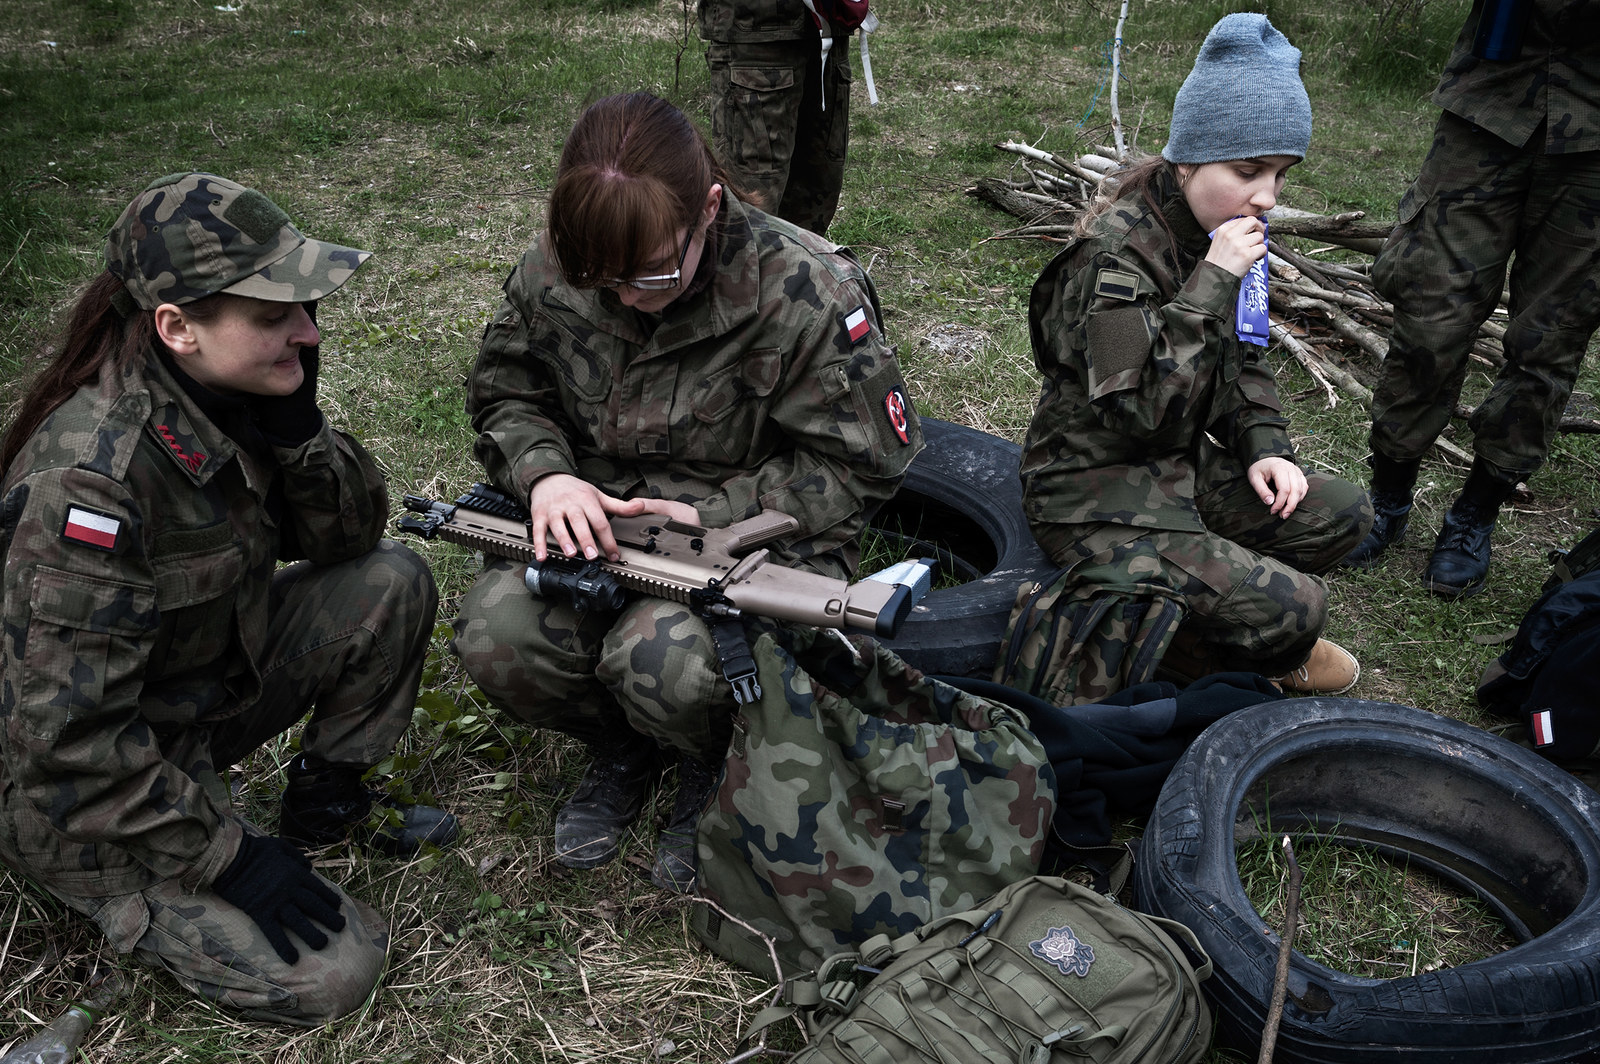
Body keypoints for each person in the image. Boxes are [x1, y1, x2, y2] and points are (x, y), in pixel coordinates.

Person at [0, 173, 457, 1025]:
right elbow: (62, 743)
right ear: (176, 327)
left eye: (307, 307)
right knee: (331, 975)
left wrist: (299, 432)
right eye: (275, 313)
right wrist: (229, 856)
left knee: (388, 582)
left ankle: (325, 800)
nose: (308, 331)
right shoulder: (93, 484)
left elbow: (348, 540)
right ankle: (127, 899)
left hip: (189, 703)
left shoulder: (222, 397)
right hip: (79, 798)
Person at [451, 92, 921, 892]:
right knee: (500, 637)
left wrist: (714, 515)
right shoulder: (562, 266)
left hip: (756, 538)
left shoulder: (806, 289)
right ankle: (625, 744)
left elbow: (864, 463)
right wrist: (548, 474)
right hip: (604, 522)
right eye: (606, 281)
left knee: (664, 662)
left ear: (710, 208)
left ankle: (715, 759)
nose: (631, 297)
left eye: (656, 271)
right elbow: (506, 392)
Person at [1020, 14, 1372, 695]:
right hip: (1093, 488)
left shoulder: (1222, 232)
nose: (1267, 197)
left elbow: (1246, 357)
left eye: (1279, 174)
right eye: (1248, 171)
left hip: (1182, 462)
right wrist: (1210, 284)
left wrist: (1266, 445)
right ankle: (1183, 644)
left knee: (1345, 513)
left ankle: (1198, 589)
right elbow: (1136, 412)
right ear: (1187, 159)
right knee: (1296, 608)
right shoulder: (1112, 267)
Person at [1343, 0, 1599, 599]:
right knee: (1431, 319)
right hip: (1489, 102)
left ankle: (1473, 518)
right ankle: (1388, 497)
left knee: (1549, 342)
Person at [699, 0, 854, 234]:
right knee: (751, 209)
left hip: (830, 25)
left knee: (818, 193)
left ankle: (801, 270)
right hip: (756, 33)